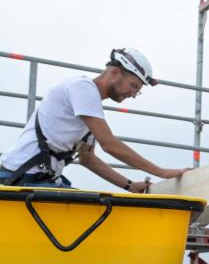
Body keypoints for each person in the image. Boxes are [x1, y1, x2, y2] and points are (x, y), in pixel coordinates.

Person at [0, 48, 189, 191]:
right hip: (22, 177)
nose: (133, 94)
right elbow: (110, 144)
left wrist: (129, 186)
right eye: (133, 85)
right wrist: (162, 172)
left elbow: (87, 158)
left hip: (38, 179)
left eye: (137, 90)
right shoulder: (82, 88)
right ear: (114, 72)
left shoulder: (88, 111)